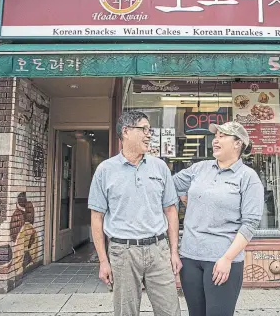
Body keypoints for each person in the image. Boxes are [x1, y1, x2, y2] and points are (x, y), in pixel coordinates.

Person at [88, 111, 182, 316]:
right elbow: (97, 218)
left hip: (158, 250)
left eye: (150, 130)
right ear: (126, 131)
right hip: (123, 252)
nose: (149, 135)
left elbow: (171, 211)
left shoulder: (160, 167)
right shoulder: (105, 170)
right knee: (126, 312)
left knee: (170, 310)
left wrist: (174, 251)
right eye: (144, 129)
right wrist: (103, 261)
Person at [173, 121, 265, 316]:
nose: (216, 140)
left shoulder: (248, 177)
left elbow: (250, 224)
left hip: (222, 261)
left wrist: (227, 258)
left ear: (238, 143)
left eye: (223, 136)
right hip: (190, 258)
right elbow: (169, 185)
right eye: (216, 136)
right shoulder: (200, 168)